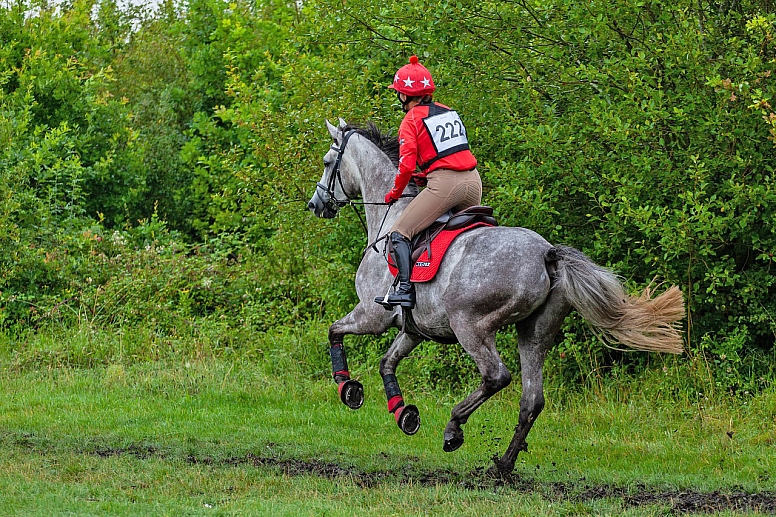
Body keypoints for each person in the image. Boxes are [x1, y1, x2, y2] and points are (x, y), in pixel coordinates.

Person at [375, 55, 482, 310]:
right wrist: (425, 175)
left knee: (399, 233)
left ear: (403, 95)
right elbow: (449, 154)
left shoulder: (410, 120)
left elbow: (406, 166)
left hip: (445, 187)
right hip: (474, 182)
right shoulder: (448, 112)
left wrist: (394, 193)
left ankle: (404, 290)